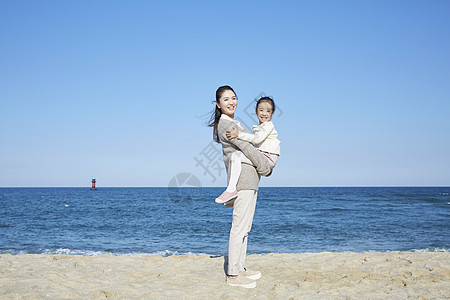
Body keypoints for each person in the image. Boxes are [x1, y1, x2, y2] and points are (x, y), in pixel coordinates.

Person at [209, 85, 271, 288]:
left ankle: (241, 267)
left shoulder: (234, 121)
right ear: (218, 104)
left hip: (250, 179)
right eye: (226, 99)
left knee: (246, 227)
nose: (231, 102)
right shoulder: (226, 124)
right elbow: (247, 148)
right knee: (238, 227)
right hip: (243, 179)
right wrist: (266, 168)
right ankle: (233, 275)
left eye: (233, 98)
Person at [215, 96, 280, 203]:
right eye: (261, 110)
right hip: (263, 154)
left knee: (236, 156)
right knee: (236, 157)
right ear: (256, 111)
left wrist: (238, 134)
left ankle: (231, 190)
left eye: (268, 111)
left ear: (272, 114)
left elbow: (257, 139)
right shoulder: (260, 127)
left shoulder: (268, 126)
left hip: (268, 157)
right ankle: (232, 192)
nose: (264, 113)